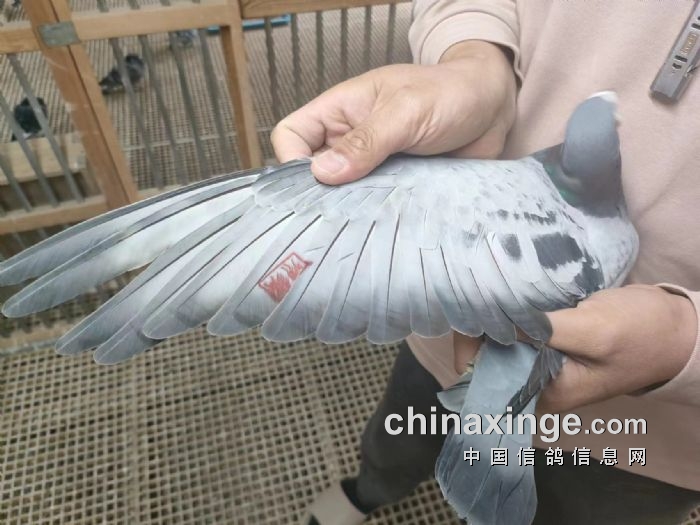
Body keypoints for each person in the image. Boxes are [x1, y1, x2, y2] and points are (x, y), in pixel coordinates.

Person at [271, 2, 700, 523]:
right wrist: (473, 55)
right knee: (406, 433)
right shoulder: (604, 229)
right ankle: (370, 488)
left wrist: (688, 343)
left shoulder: (616, 241)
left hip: (655, 437)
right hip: (451, 335)